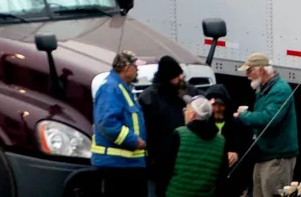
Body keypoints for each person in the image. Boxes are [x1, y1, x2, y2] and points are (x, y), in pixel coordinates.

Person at [235, 54, 298, 197]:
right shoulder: (264, 88)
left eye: (249, 71)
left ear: (261, 70)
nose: (247, 76)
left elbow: (271, 118)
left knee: (271, 193)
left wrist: (243, 117)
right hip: (264, 154)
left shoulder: (280, 90)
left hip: (277, 156)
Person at [92, 50, 148, 194]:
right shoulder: (111, 88)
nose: (138, 71)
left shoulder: (121, 88)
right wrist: (134, 140)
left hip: (127, 164)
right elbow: (107, 123)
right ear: (128, 68)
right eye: (136, 67)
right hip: (117, 165)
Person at [139, 55, 187, 196]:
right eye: (176, 76)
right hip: (157, 160)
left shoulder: (179, 94)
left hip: (173, 160)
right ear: (168, 77)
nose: (180, 79)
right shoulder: (150, 98)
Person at [161, 96, 227, 197]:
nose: (184, 112)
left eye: (186, 109)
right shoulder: (220, 141)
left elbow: (166, 168)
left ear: (192, 115)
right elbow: (221, 176)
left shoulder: (180, 134)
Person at [204, 84, 255, 197]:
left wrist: (237, 154)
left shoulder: (238, 125)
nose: (217, 109)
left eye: (221, 105)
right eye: (213, 105)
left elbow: (249, 150)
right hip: (206, 181)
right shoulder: (202, 125)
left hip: (231, 183)